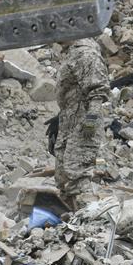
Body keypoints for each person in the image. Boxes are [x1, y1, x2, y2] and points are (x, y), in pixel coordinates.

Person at [53, 39, 109, 209]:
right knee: (63, 173)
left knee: (77, 170)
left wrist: (90, 121)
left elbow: (98, 91)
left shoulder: (86, 53)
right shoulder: (73, 52)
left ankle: (89, 215)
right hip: (70, 121)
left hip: (83, 124)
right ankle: (71, 218)